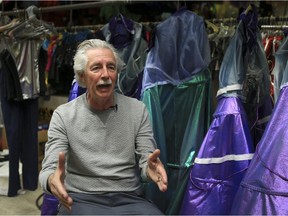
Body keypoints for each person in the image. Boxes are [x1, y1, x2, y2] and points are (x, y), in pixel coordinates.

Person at [39, 39, 168, 215]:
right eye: (96, 67)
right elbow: (48, 170)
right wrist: (51, 180)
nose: (106, 74)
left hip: (130, 198)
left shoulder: (137, 109)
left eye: (111, 67)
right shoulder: (64, 115)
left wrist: (148, 169)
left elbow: (147, 159)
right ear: (82, 76)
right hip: (81, 199)